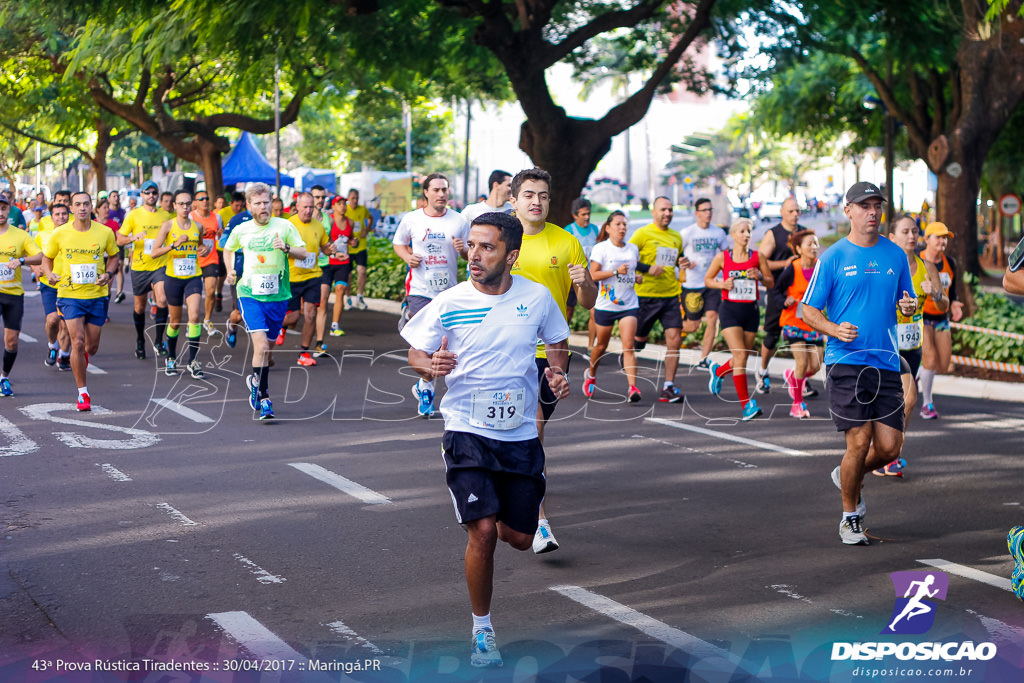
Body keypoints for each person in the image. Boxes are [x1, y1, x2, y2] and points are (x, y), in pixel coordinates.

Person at [400, 212, 570, 669]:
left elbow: (556, 340)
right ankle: (482, 630)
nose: (474, 255)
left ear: (511, 255)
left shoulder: (536, 298)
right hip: (466, 429)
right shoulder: (450, 300)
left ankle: (519, 529)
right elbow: (416, 347)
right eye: (471, 246)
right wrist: (426, 367)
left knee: (518, 536)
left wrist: (555, 372)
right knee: (484, 531)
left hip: (518, 434)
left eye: (487, 247)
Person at [801, 182, 918, 545]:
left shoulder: (895, 255)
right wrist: (834, 328)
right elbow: (807, 309)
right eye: (864, 206)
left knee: (889, 448)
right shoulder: (833, 257)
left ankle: (846, 473)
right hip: (846, 361)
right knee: (860, 439)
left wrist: (909, 306)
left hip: (885, 360)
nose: (872, 212)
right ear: (848, 210)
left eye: (876, 206)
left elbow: (907, 299)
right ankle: (849, 516)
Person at [508, 167, 596, 554]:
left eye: (542, 195)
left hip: (550, 354)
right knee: (527, 430)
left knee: (531, 431)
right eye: (528, 195)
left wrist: (585, 282)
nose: (536, 202)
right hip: (505, 351)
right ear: (514, 201)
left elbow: (590, 301)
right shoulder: (499, 238)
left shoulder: (568, 242)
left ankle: (533, 514)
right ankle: (539, 521)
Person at [222, 183, 308, 420]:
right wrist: (230, 270)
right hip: (249, 293)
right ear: (249, 206)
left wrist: (287, 248)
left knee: (267, 349)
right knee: (260, 346)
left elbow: (304, 253)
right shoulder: (242, 229)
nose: (263, 207)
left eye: (267, 202)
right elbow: (228, 249)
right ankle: (264, 397)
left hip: (278, 295)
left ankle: (256, 380)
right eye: (258, 203)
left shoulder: (285, 226)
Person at [873, 215, 948, 476]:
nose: (911, 236)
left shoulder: (927, 267)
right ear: (891, 238)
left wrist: (935, 293)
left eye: (915, 231)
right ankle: (888, 454)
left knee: (899, 402)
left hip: (912, 344)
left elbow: (943, 306)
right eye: (905, 232)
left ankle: (887, 452)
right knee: (909, 398)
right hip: (887, 345)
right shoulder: (883, 267)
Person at [392, 173, 469, 417]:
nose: (441, 194)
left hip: (448, 293)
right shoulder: (412, 219)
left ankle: (425, 385)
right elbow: (398, 243)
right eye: (436, 190)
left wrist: (464, 250)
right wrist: (407, 257)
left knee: (440, 347)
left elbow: (471, 254)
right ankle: (426, 386)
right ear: (426, 192)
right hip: (420, 291)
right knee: (422, 347)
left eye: (445, 189)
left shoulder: (459, 221)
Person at [41, 192, 120, 411]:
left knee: (91, 347)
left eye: (86, 204)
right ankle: (83, 394)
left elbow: (114, 256)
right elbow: (46, 259)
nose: (82, 208)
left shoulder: (104, 232)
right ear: (72, 208)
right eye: (78, 204)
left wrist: (109, 273)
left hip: (96, 295)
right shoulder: (60, 233)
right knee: (76, 341)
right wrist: (49, 274)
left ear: (91, 206)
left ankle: (81, 356)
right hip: (70, 295)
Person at [704, 218, 773, 421]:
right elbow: (708, 280)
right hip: (729, 311)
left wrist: (759, 276)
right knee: (741, 357)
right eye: (742, 231)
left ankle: (719, 371)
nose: (746, 235)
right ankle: (746, 406)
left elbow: (771, 282)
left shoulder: (757, 257)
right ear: (733, 235)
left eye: (749, 231)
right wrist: (722, 285)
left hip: (750, 311)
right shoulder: (723, 258)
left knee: (741, 357)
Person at [629, 196, 685, 403]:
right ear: (654, 212)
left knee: (675, 339)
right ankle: (630, 355)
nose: (667, 213)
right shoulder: (642, 234)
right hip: (646, 296)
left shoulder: (676, 236)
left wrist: (684, 262)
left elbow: (678, 258)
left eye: (670, 210)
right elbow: (628, 258)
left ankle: (668, 386)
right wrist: (647, 268)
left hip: (670, 295)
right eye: (663, 210)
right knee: (638, 343)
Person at [150, 190, 209, 379]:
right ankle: (171, 357)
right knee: (175, 321)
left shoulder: (198, 227)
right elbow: (154, 252)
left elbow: (199, 246)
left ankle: (193, 361)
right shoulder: (168, 225)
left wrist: (204, 249)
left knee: (194, 316)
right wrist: (174, 245)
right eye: (181, 204)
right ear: (174, 206)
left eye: (188, 203)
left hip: (193, 276)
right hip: (173, 278)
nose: (185, 207)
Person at [583, 210, 641, 402]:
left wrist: (636, 277)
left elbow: (630, 273)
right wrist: (615, 271)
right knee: (601, 346)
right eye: (618, 224)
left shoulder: (632, 249)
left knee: (629, 346)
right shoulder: (601, 248)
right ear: (608, 228)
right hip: (606, 305)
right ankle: (591, 375)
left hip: (628, 304)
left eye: (624, 224)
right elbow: (592, 275)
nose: (622, 227)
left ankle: (633, 388)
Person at [118, 179, 173, 360]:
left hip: (160, 265)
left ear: (158, 195)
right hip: (140, 266)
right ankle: (140, 339)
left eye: (154, 193)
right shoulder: (133, 215)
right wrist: (133, 238)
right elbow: (120, 239)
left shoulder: (166, 216)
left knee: (163, 299)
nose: (151, 196)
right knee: (139, 307)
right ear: (141, 195)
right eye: (147, 193)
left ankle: (158, 340)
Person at [771, 229, 823, 419]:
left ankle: (794, 378)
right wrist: (784, 301)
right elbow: (777, 290)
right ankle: (797, 404)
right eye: (809, 244)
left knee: (816, 366)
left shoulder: (821, 268)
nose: (814, 247)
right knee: (801, 362)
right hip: (793, 320)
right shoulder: (793, 268)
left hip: (814, 322)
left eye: (816, 243)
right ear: (799, 249)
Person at [756, 197, 805, 394]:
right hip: (778, 290)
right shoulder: (773, 234)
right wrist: (785, 264)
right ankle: (762, 370)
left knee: (802, 333)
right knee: (773, 334)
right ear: (783, 212)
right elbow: (761, 262)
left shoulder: (803, 232)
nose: (795, 215)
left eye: (797, 211)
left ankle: (801, 377)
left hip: (799, 293)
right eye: (791, 211)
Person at [281, 192, 334, 366]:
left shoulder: (318, 226)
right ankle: (281, 325)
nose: (309, 210)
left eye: (311, 207)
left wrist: (330, 249)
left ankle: (304, 353)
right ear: (297, 206)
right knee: (294, 317)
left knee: (310, 314)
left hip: (313, 276)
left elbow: (325, 248)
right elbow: (278, 248)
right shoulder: (288, 225)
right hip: (292, 277)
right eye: (305, 207)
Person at [917, 221, 964, 420]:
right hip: (922, 316)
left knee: (944, 363)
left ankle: (918, 370)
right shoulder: (916, 260)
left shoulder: (949, 263)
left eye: (945, 238)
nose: (943, 241)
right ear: (927, 239)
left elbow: (951, 292)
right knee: (930, 359)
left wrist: (954, 304)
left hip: (941, 317)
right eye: (938, 237)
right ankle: (927, 403)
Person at [679, 197, 730, 369]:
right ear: (697, 213)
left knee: (712, 319)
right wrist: (685, 262)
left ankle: (704, 358)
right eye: (704, 210)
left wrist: (727, 275)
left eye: (710, 210)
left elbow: (727, 257)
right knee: (693, 326)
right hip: (692, 285)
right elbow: (677, 255)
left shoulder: (719, 233)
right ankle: (672, 328)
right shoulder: (687, 233)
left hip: (711, 284)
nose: (708, 213)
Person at [0, 194, 43, 396]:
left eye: (3, 208)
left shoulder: (20, 235)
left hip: (13, 294)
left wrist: (22, 261)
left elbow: (39, 256)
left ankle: (4, 377)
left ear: (9, 210)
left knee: (12, 341)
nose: (0, 213)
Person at [33, 202, 73, 371]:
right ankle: (52, 345)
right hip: (49, 284)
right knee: (53, 319)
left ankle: (63, 356)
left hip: (71, 285)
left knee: (69, 324)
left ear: (68, 215)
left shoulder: (75, 233)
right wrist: (36, 268)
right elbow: (33, 256)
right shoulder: (42, 235)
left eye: (64, 214)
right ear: (51, 217)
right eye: (57, 214)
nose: (61, 217)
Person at [315, 198, 354, 351]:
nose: (343, 206)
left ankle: (335, 325)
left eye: (345, 204)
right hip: (328, 262)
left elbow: (350, 239)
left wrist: (353, 242)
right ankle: (320, 324)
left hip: (343, 262)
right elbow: (325, 239)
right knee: (323, 298)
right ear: (334, 206)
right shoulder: (328, 221)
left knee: (340, 291)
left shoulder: (350, 222)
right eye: (340, 204)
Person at [563, 197, 601, 347]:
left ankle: (591, 346)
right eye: (583, 214)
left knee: (594, 312)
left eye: (588, 214)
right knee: (569, 311)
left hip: (591, 276)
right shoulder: (569, 230)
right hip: (573, 277)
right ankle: (562, 342)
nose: (587, 217)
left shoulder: (595, 229)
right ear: (575, 215)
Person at [191, 190, 225, 336]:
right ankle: (192, 321)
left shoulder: (216, 217)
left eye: (207, 198)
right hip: (193, 260)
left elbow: (220, 235)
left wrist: (221, 234)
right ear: (196, 202)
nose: (205, 201)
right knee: (194, 294)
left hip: (211, 258)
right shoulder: (191, 217)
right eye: (201, 199)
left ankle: (207, 319)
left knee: (211, 291)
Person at [344, 189, 374, 310]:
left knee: (362, 271)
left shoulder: (362, 209)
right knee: (348, 275)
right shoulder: (344, 210)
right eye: (353, 198)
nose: (355, 201)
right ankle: (348, 298)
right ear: (348, 199)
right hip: (348, 247)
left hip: (361, 245)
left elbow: (370, 218)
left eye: (357, 198)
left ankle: (359, 297)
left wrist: (366, 230)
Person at [96, 197, 127, 302]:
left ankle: (105, 311)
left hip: (110, 257)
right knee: (97, 286)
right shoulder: (93, 223)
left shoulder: (113, 224)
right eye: (104, 208)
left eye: (108, 208)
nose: (107, 210)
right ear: (97, 209)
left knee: (107, 286)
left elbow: (119, 238)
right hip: (97, 258)